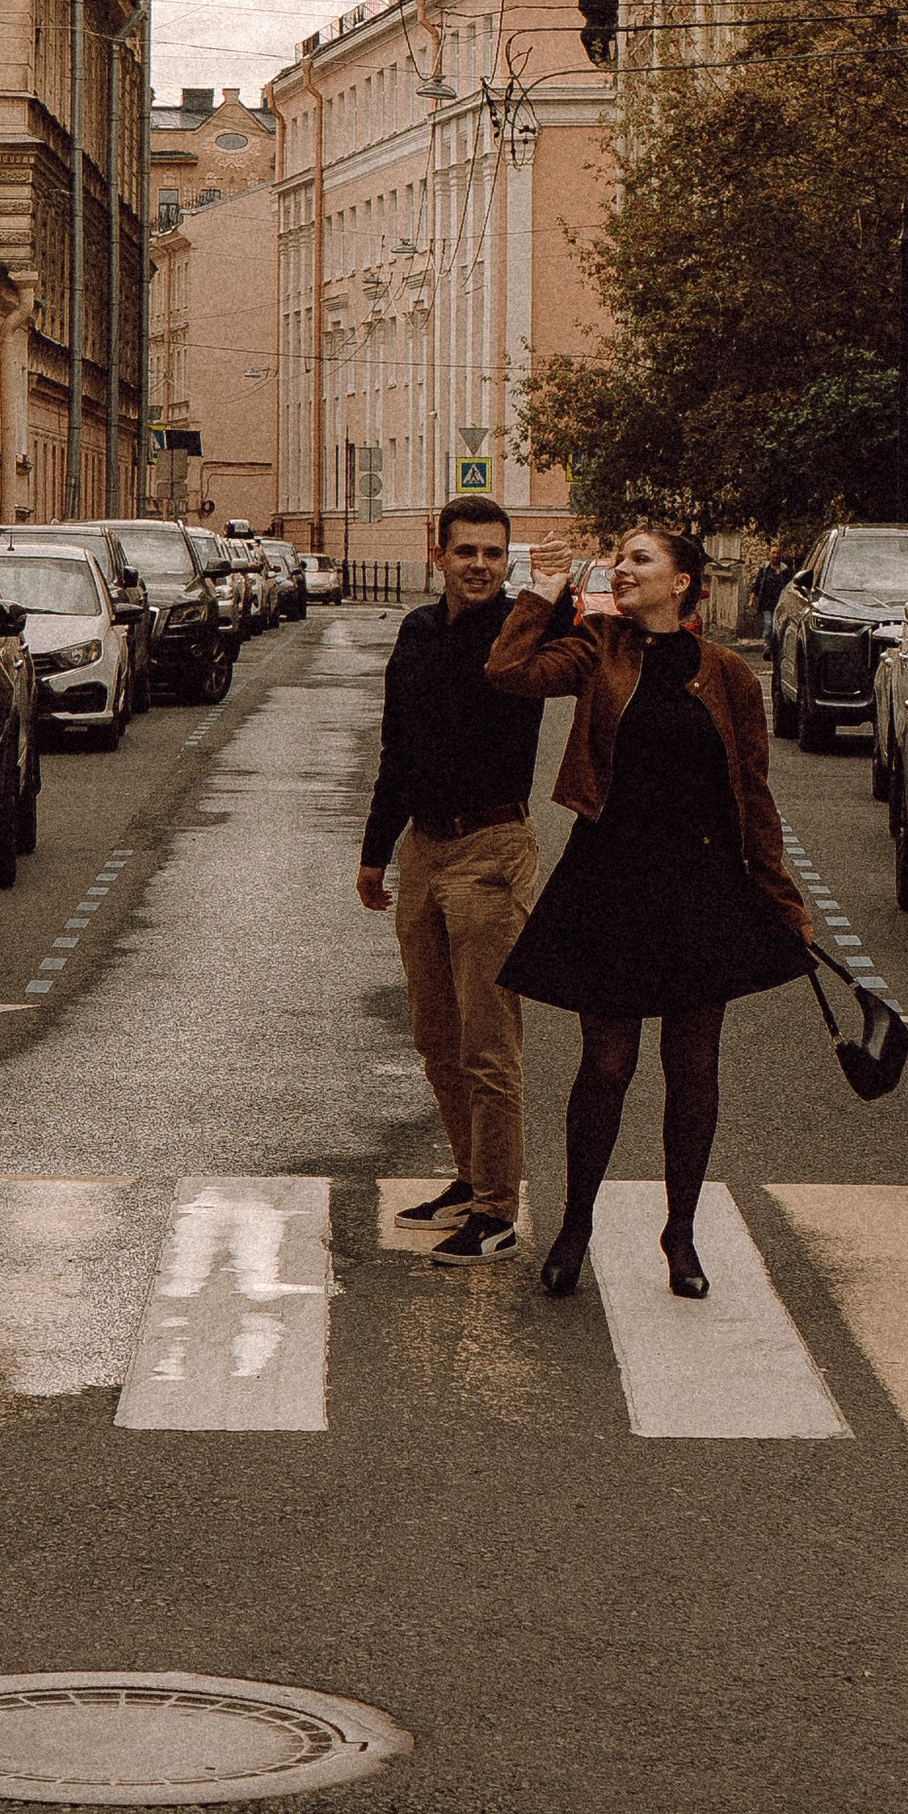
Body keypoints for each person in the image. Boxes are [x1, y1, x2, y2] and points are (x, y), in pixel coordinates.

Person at [488, 526, 815, 1299]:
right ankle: (575, 1226)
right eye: (620, 559)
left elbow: (754, 793)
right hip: (611, 878)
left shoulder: (728, 674)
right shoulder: (597, 647)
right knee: (606, 1064)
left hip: (702, 883)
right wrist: (545, 588)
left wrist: (782, 897)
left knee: (693, 1067)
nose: (623, 569)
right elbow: (509, 671)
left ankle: (682, 1233)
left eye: (641, 559)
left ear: (682, 583)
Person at [357, 494, 545, 1264]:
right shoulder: (416, 631)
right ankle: (469, 1179)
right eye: (466, 551)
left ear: (507, 561)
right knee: (437, 1036)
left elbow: (570, 653)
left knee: (488, 1045)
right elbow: (397, 746)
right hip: (425, 850)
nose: (479, 566)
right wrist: (375, 850)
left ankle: (497, 1211)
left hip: (493, 849)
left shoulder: (522, 630)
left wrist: (551, 598)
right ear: (436, 554)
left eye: (493, 554)